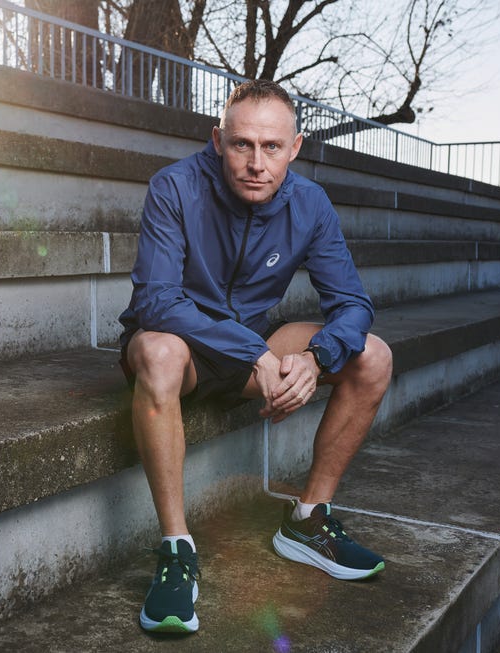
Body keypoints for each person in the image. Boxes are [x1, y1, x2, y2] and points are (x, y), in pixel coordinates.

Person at [117, 79, 394, 634]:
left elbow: (353, 304)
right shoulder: (174, 187)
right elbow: (156, 300)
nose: (255, 163)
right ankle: (176, 550)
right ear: (218, 140)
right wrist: (256, 355)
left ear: (295, 148)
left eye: (271, 147)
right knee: (159, 353)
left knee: (373, 355)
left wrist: (316, 357)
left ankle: (307, 520)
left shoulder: (310, 203)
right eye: (242, 144)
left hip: (253, 346)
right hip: (186, 347)